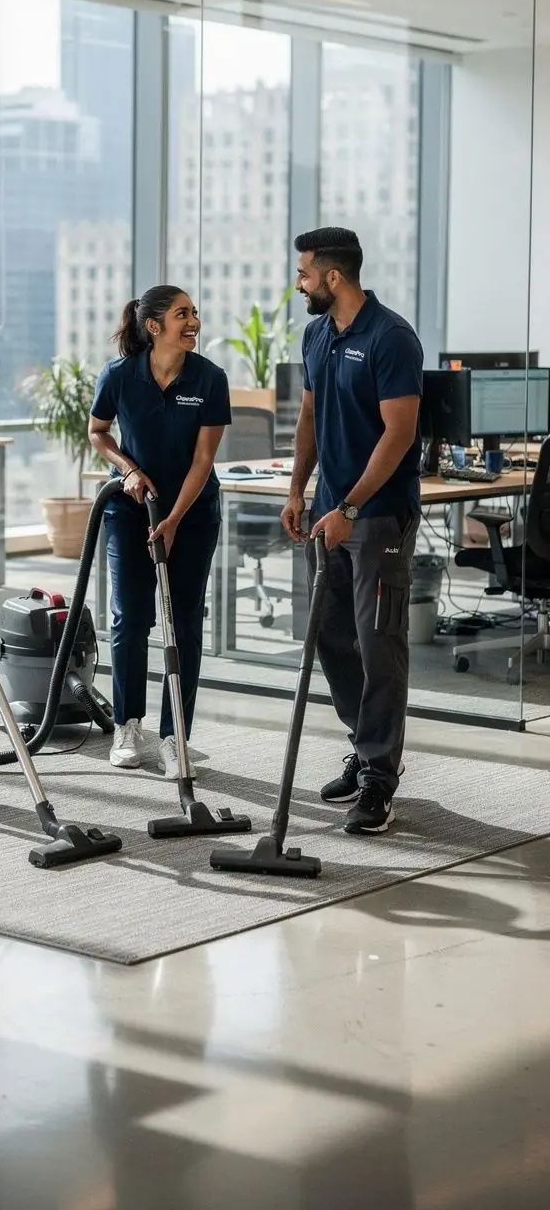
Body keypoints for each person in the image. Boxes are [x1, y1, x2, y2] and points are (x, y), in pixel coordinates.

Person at [281, 227, 423, 835]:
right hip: (330, 515)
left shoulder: (391, 339)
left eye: (305, 273)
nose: (299, 283)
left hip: (377, 516)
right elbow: (310, 413)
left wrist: (353, 508)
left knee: (378, 643)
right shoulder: (317, 334)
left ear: (332, 276)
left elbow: (400, 434)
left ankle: (379, 782)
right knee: (332, 637)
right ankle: (363, 748)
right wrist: (299, 489)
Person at [88, 286, 231, 778]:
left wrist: (172, 520)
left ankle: (175, 738)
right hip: (130, 511)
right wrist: (126, 469)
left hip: (192, 514)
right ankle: (127, 724)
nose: (193, 321)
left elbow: (204, 459)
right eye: (182, 314)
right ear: (153, 326)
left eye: (194, 312)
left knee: (185, 624)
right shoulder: (120, 376)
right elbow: (98, 431)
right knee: (130, 618)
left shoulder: (210, 378)